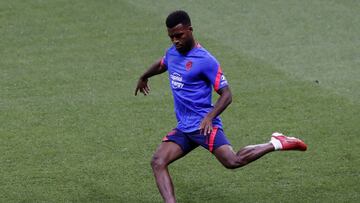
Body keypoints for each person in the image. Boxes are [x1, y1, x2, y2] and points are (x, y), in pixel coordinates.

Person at [135, 10, 307, 203]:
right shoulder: (173, 53)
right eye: (171, 37)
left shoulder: (206, 60)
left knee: (233, 161)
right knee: (158, 161)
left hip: (204, 125)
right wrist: (144, 76)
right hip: (184, 127)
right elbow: (161, 64)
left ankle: (276, 142)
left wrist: (209, 117)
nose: (175, 40)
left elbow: (227, 94)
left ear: (190, 30)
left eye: (179, 35)